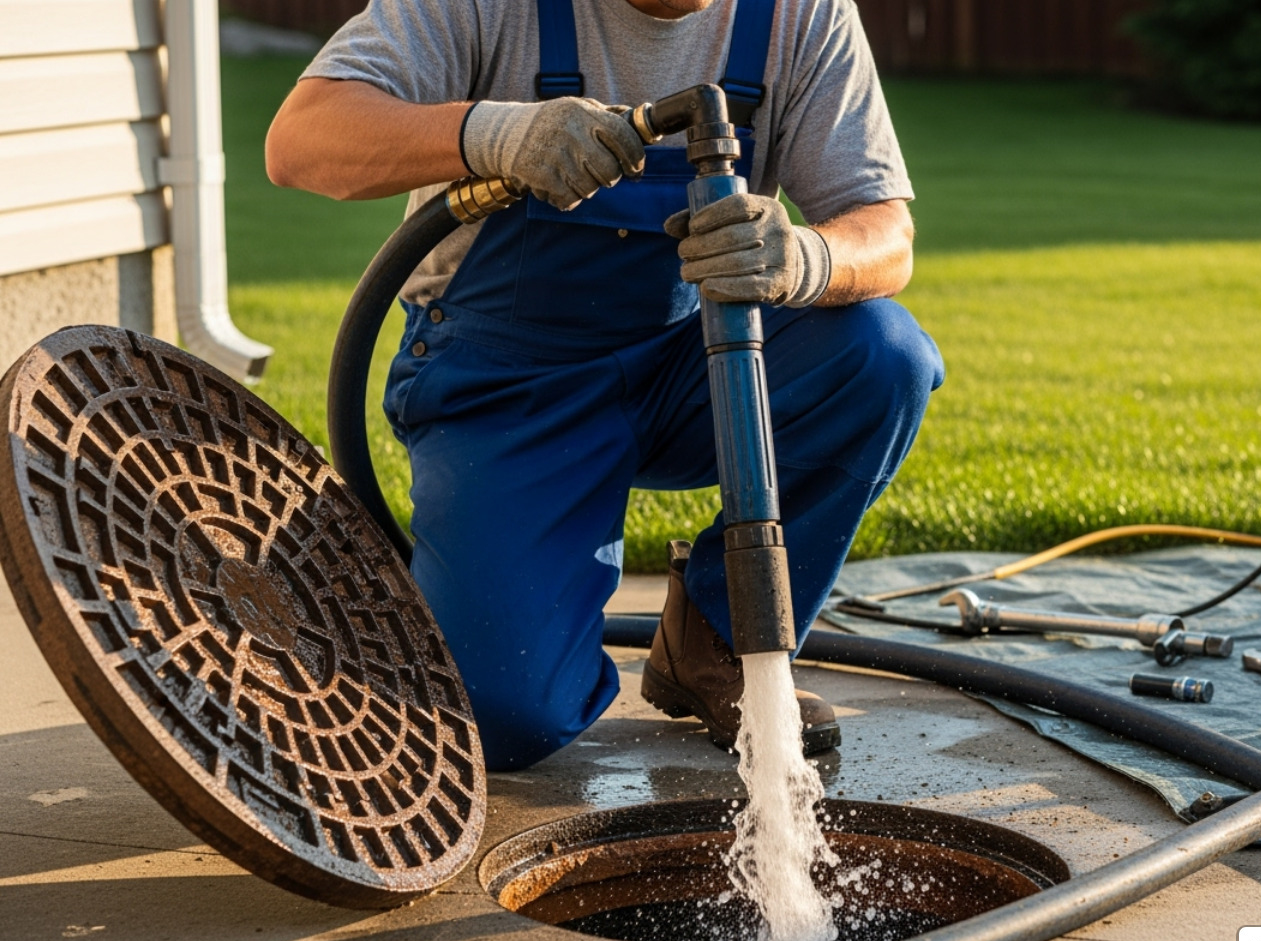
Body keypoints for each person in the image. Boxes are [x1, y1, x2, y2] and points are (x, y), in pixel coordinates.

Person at [265, 0, 943, 770]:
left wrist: (803, 260)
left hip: (697, 363)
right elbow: (301, 140)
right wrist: (497, 134)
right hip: (511, 383)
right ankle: (482, 616)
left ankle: (718, 641)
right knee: (503, 716)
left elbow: (884, 229)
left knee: (884, 355)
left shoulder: (802, 14)